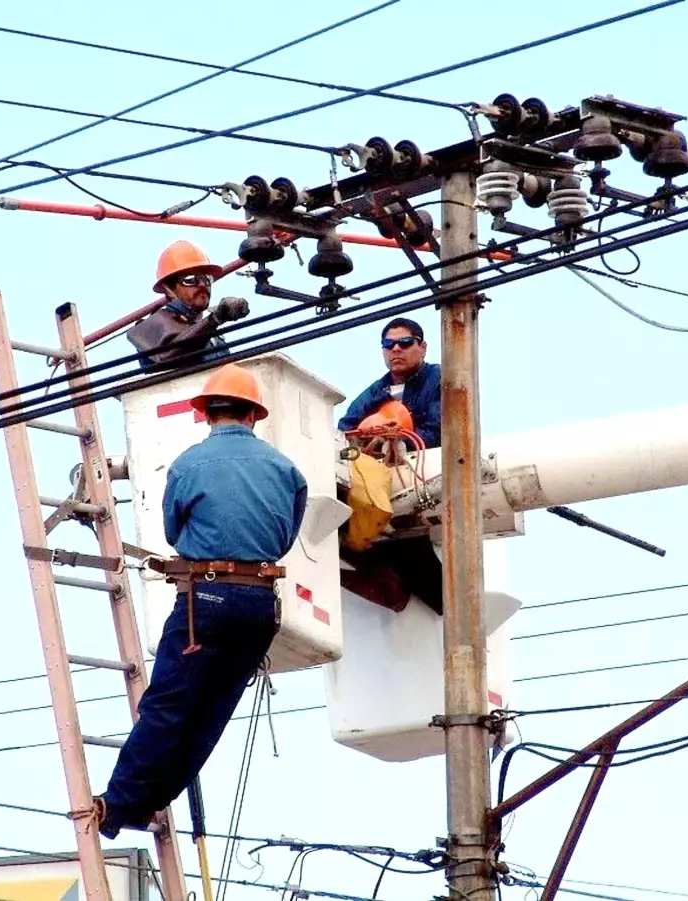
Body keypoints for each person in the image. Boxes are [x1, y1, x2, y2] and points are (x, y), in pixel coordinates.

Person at [92, 363, 308, 837]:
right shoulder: (287, 469)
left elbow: (173, 532)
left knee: (168, 706)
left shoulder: (189, 464)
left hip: (205, 601)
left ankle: (121, 802)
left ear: (206, 414)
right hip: (258, 605)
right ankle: (148, 803)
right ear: (253, 415)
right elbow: (285, 535)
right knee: (209, 715)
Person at [127, 240, 251, 368]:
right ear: (168, 288)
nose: (202, 285)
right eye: (190, 279)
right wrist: (215, 319)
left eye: (207, 279)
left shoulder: (214, 337)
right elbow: (169, 356)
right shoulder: (148, 327)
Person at [336, 318, 442, 449]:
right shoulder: (376, 391)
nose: (396, 349)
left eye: (405, 342)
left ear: (423, 348)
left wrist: (397, 440)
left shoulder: (440, 378)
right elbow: (344, 431)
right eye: (388, 344)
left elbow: (441, 432)